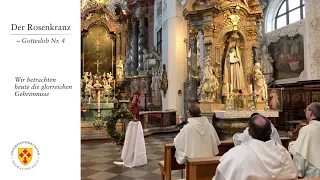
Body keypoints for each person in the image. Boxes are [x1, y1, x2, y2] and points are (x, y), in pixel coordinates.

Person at [214, 114, 297, 180]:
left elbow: (221, 176)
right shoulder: (285, 154)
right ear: (271, 131)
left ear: (249, 132)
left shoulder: (235, 155)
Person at [288, 102, 320, 178]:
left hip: (314, 173)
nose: (305, 112)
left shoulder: (307, 130)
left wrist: (291, 145)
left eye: (305, 110)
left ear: (310, 113)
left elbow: (300, 154)